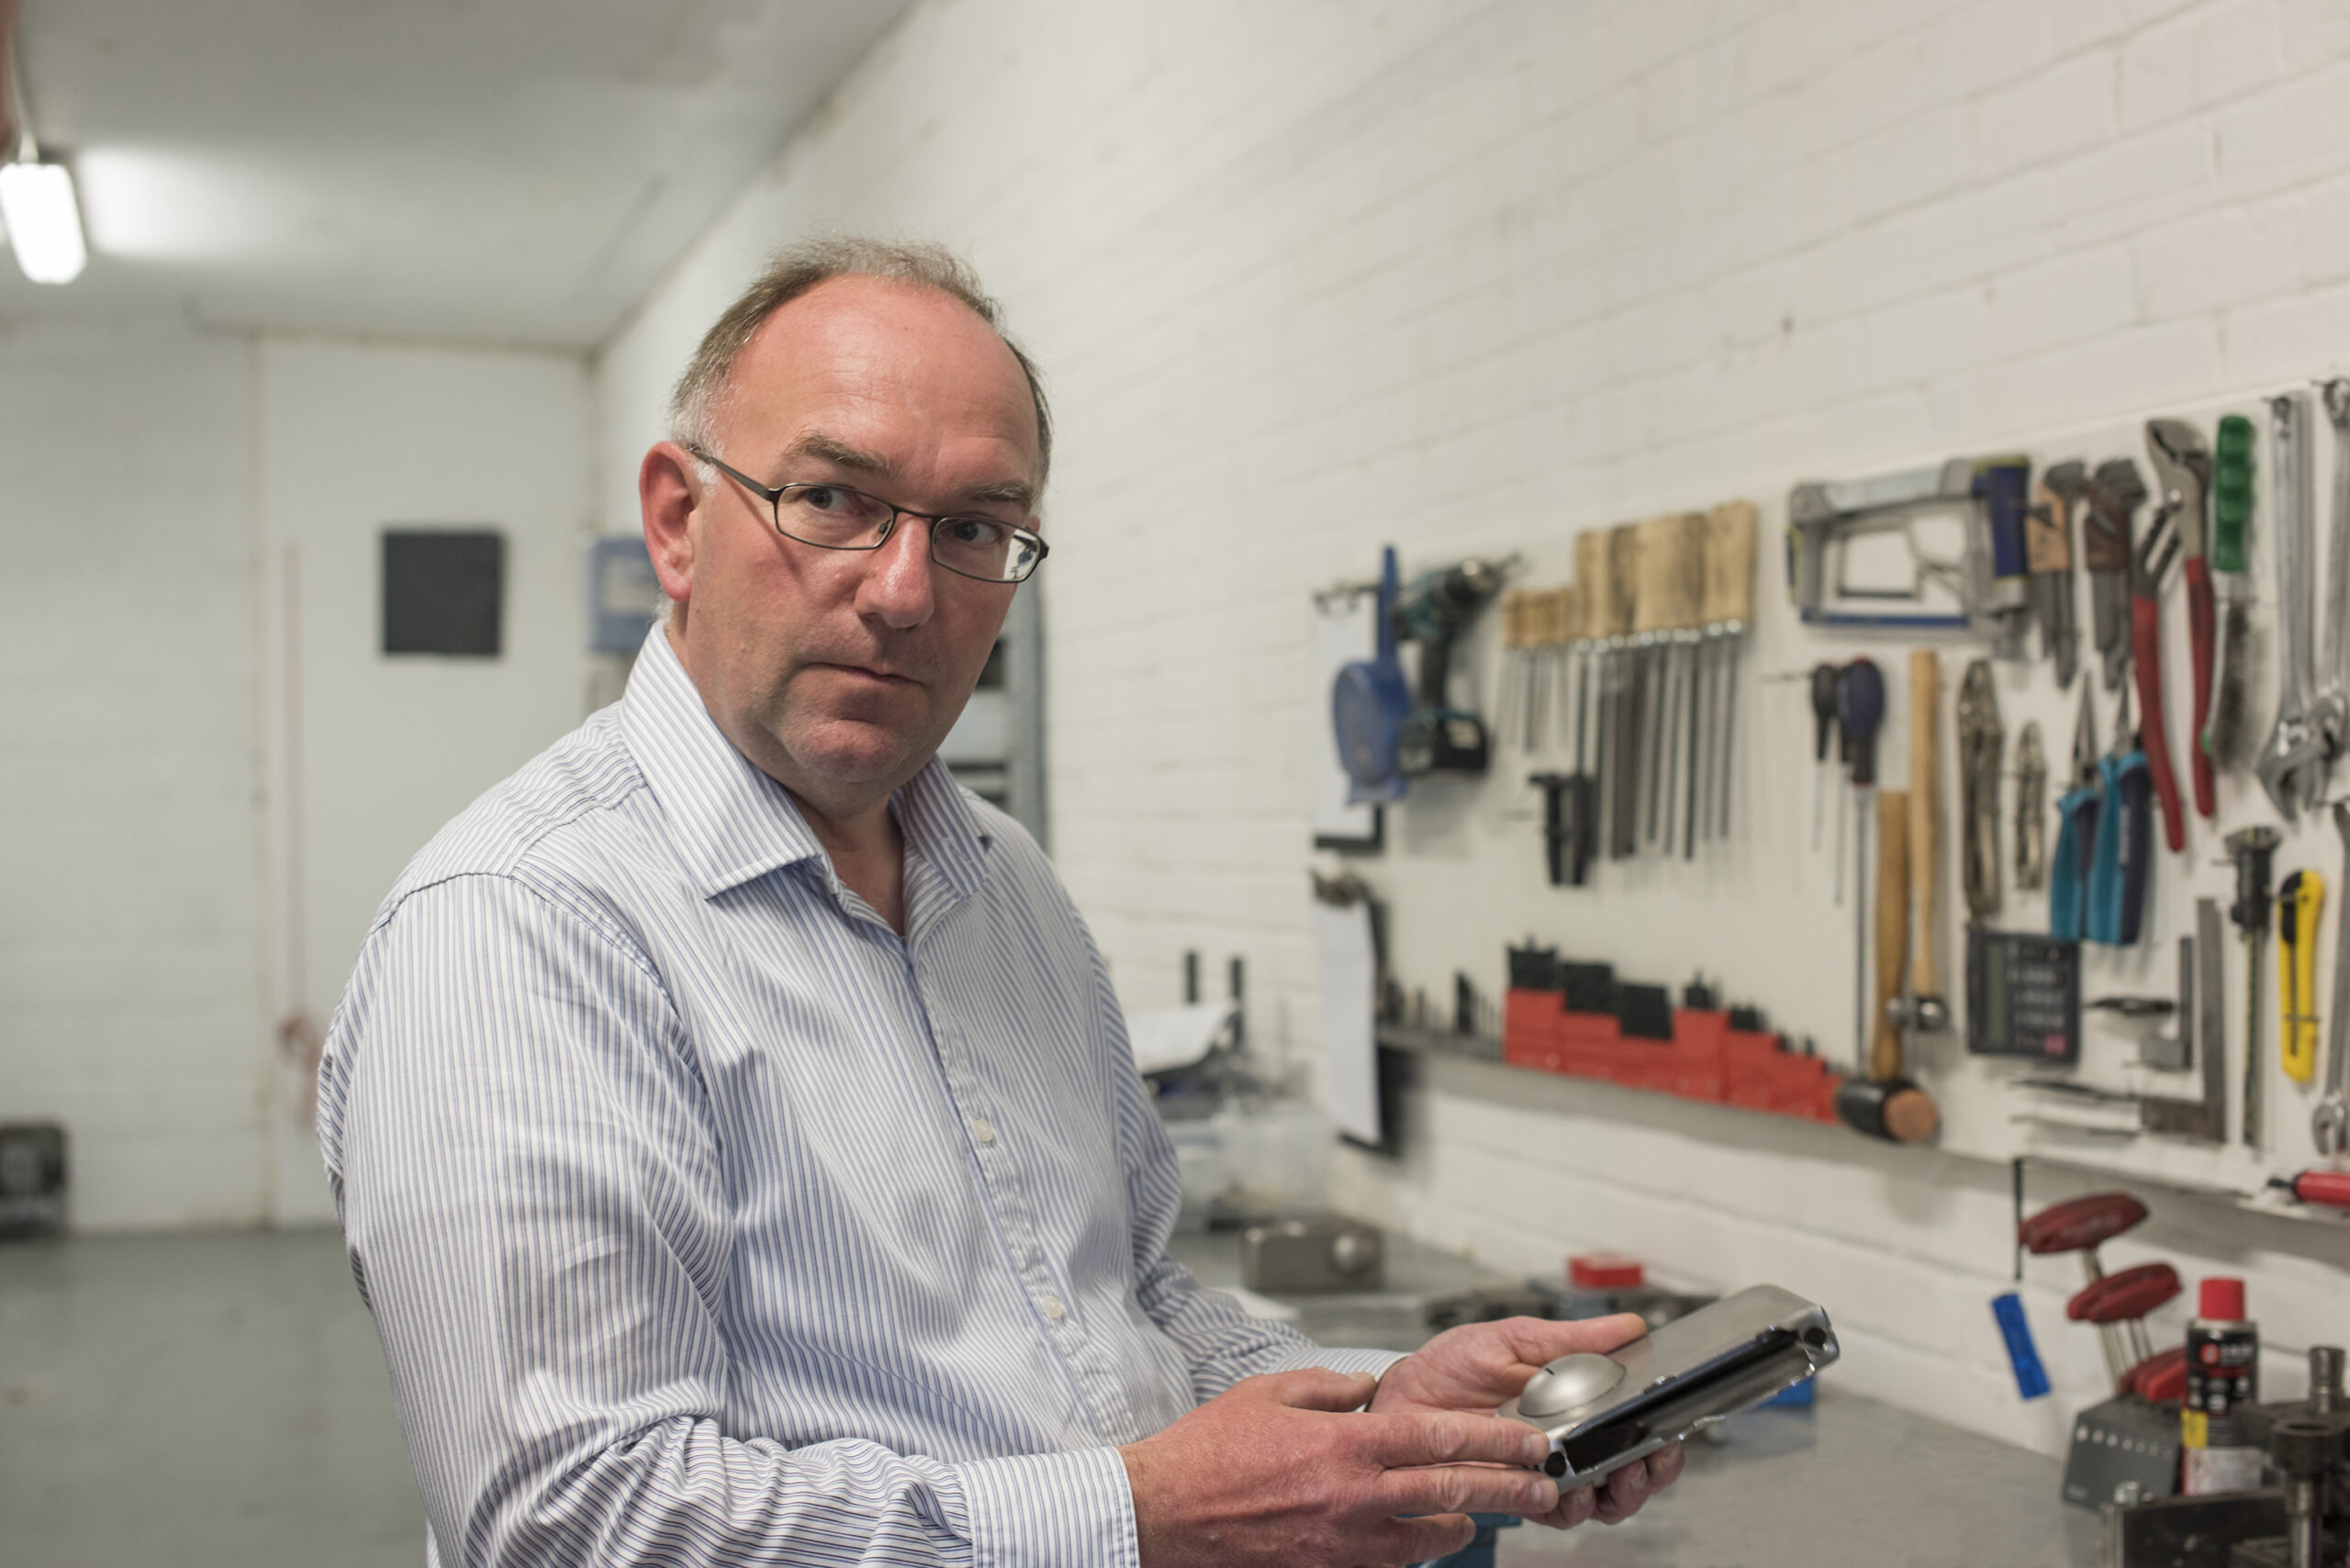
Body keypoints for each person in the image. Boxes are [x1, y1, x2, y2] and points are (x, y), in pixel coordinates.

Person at [317, 238, 1681, 1568]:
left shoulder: (1001, 883)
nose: (906, 592)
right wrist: (1134, 1520)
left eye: (973, 528)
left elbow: (1126, 1307)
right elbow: (574, 1522)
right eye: (833, 502)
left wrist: (1383, 1412)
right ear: (680, 521)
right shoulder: (516, 928)